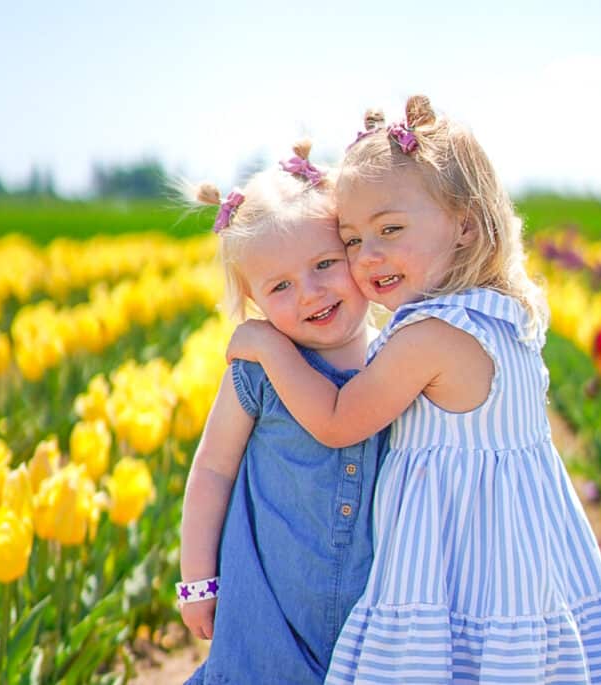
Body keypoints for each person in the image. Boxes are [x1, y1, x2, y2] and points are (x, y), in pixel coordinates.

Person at [226, 96, 601, 683]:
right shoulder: (499, 314)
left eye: (390, 230)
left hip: (461, 571)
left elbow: (336, 419)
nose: (368, 255)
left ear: (465, 224)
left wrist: (270, 346)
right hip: (525, 560)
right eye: (350, 240)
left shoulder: (429, 337)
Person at [179, 142, 386, 684]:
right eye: (281, 286)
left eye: (324, 264)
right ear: (253, 302)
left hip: (378, 609)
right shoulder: (257, 375)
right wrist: (197, 579)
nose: (311, 293)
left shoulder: (400, 360)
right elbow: (213, 469)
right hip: (271, 607)